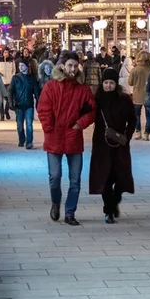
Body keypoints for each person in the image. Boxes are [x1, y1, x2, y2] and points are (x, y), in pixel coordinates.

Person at [36, 53, 96, 226]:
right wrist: (48, 128)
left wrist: (80, 124)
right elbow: (43, 109)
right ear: (62, 66)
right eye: (69, 65)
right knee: (55, 177)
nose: (72, 69)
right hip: (54, 137)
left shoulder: (82, 88)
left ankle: (70, 212)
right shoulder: (51, 86)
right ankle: (56, 202)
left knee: (75, 179)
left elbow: (91, 110)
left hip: (73, 137)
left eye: (75, 65)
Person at [90, 68, 136, 223]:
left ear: (116, 84)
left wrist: (127, 136)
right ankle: (108, 210)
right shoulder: (96, 100)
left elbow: (132, 120)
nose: (108, 86)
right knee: (105, 178)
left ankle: (115, 200)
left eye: (111, 83)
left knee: (121, 177)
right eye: (106, 83)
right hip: (102, 145)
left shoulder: (124, 99)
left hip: (120, 145)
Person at [10, 59, 42, 149]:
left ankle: (29, 142)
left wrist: (38, 102)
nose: (20, 67)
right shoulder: (15, 78)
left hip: (29, 105)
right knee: (19, 125)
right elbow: (11, 90)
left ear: (27, 67)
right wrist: (10, 102)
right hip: (19, 105)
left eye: (22, 65)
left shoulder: (32, 78)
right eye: (19, 65)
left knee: (29, 125)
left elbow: (36, 91)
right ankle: (21, 139)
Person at [127, 52, 150, 140]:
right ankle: (146, 133)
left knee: (137, 115)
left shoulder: (135, 69)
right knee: (148, 116)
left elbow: (130, 82)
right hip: (148, 95)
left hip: (137, 95)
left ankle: (138, 132)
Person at [0, 51, 15, 122]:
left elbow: (14, 70)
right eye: (4, 52)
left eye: (7, 52)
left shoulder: (11, 60)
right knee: (0, 101)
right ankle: (2, 115)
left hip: (9, 82)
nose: (6, 54)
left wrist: (12, 78)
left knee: (8, 99)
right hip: (1, 83)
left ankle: (6, 111)